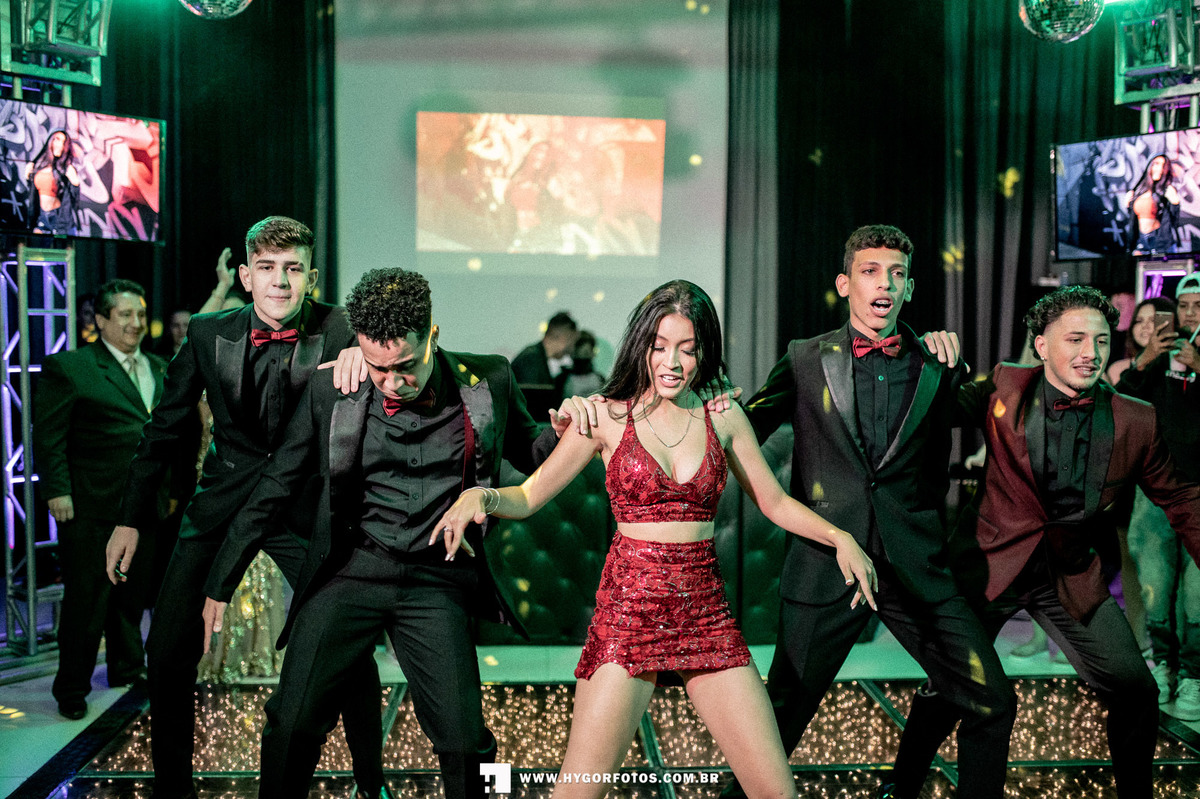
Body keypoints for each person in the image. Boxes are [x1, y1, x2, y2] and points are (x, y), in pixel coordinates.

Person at [436, 279, 878, 799]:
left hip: (707, 618)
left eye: (687, 350)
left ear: (704, 352)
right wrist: (482, 496)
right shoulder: (605, 415)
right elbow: (530, 495)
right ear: (641, 345)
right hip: (628, 618)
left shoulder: (723, 416)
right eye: (660, 346)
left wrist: (840, 537)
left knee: (777, 793)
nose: (672, 362)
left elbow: (774, 502)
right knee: (578, 792)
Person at [199, 266, 561, 799]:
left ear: (433, 333)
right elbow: (276, 484)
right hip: (349, 573)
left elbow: (530, 451)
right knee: (291, 724)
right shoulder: (332, 388)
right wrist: (220, 580)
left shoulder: (490, 379)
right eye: (377, 368)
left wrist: (565, 432)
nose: (392, 382)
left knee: (467, 742)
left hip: (436, 581)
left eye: (406, 367)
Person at [716, 225, 1013, 799]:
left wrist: (966, 363)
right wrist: (695, 416)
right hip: (826, 562)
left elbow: (984, 416)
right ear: (844, 283)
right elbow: (747, 427)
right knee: (780, 721)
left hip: (914, 567)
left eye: (897, 275)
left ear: (909, 289)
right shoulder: (805, 358)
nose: (885, 284)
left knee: (991, 699)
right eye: (871, 271)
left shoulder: (935, 362)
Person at [104, 217, 385, 799]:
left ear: (311, 277)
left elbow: (403, 372)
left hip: (306, 506)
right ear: (245, 275)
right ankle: (173, 789)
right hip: (223, 502)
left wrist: (365, 361)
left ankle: (369, 782)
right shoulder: (208, 332)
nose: (280, 281)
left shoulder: (342, 328)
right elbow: (164, 429)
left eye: (292, 269)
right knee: (167, 651)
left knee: (347, 647)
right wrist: (128, 518)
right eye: (266, 268)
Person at [888, 285, 1200, 799]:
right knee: (950, 689)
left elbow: (1182, 498)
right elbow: (934, 410)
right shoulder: (1005, 385)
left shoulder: (1135, 418)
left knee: (1136, 688)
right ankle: (901, 787)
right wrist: (934, 363)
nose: (1090, 353)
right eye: (1075, 339)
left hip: (1069, 576)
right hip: (986, 567)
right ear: (1041, 345)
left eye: (1101, 341)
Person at [33, 279, 166, 720]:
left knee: (132, 598)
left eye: (140, 314)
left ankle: (127, 667)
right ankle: (71, 688)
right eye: (125, 315)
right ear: (102, 319)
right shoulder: (71, 367)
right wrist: (57, 490)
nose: (136, 323)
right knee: (87, 603)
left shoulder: (158, 367)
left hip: (143, 507)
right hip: (91, 508)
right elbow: (48, 435)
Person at [1116, 274, 1200, 720]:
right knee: (1156, 586)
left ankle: (1193, 676)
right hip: (1155, 495)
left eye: (1198, 306)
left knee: (1197, 595)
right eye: (1183, 306)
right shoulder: (1155, 358)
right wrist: (1146, 359)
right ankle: (1165, 666)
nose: (1189, 314)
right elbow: (1120, 406)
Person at [511, 310, 579, 413]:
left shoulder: (534, 357)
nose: (573, 348)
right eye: (573, 341)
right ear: (564, 338)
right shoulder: (530, 360)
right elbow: (533, 403)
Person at [25, 129, 80, 235]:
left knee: (60, 245)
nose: (60, 145)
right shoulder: (37, 165)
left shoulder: (66, 168)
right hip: (41, 218)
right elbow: (33, 192)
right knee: (36, 245)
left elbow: (75, 200)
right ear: (50, 141)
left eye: (64, 142)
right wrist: (28, 177)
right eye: (57, 139)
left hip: (59, 220)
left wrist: (75, 183)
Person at [1125, 154, 1180, 256]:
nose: (1160, 169)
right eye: (1156, 164)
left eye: (1164, 166)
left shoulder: (1167, 190)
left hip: (1159, 242)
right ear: (1149, 165)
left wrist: (1175, 203)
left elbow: (1174, 221)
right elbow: (1134, 218)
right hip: (1140, 241)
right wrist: (1128, 205)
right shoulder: (1138, 190)